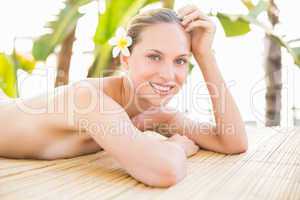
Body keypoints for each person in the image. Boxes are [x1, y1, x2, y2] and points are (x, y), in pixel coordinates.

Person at [0, 5, 247, 187]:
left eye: (180, 60)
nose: (168, 75)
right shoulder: (88, 99)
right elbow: (164, 170)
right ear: (126, 59)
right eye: (154, 56)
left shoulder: (154, 114)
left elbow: (232, 142)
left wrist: (204, 55)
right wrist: (177, 146)